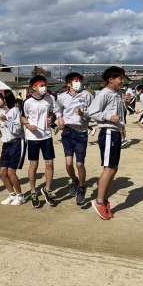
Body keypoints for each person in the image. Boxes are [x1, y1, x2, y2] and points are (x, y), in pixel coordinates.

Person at [88, 66, 126, 220]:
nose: (122, 81)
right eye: (120, 78)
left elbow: (119, 114)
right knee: (109, 168)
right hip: (108, 132)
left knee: (113, 168)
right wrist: (109, 117)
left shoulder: (117, 93)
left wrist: (122, 127)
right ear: (110, 79)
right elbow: (92, 112)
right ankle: (99, 201)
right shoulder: (104, 93)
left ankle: (103, 199)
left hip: (115, 132)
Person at [56, 72, 94, 206]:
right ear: (68, 83)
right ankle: (75, 180)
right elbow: (58, 109)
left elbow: (93, 112)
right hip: (67, 132)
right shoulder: (62, 97)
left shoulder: (87, 95)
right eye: (75, 81)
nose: (78, 83)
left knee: (80, 164)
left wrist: (84, 114)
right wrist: (59, 118)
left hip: (81, 132)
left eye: (79, 80)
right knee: (68, 163)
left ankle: (82, 187)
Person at [21, 75, 57, 208]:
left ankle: (48, 190)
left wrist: (51, 118)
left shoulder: (49, 98)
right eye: (41, 85)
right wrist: (28, 125)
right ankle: (33, 191)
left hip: (46, 136)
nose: (44, 87)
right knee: (34, 165)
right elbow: (22, 117)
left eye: (45, 85)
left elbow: (53, 112)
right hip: (33, 138)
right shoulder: (27, 102)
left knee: (49, 164)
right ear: (34, 87)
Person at [0, 90, 26, 206]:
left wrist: (6, 121)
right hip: (6, 145)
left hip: (16, 143)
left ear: (5, 99)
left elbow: (17, 130)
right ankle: (12, 194)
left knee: (11, 172)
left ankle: (20, 196)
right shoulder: (2, 111)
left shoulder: (15, 111)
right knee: (2, 173)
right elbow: (4, 128)